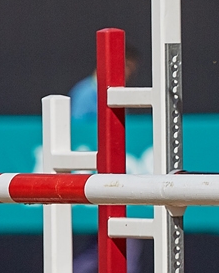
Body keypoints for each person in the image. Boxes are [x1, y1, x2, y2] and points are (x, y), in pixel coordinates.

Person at [68, 47, 142, 273]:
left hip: (113, 179)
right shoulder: (84, 94)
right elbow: (79, 136)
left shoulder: (117, 95)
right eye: (126, 67)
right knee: (122, 241)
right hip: (95, 179)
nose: (128, 74)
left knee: (103, 247)